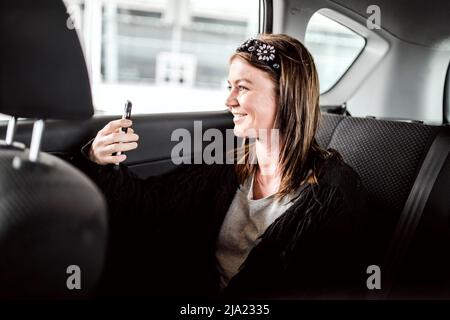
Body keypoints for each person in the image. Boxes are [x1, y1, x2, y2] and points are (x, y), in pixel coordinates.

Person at [74, 34, 368, 299]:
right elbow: (151, 205)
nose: (229, 100)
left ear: (287, 94)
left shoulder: (333, 194)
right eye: (229, 87)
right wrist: (100, 160)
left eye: (242, 87)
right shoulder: (224, 164)